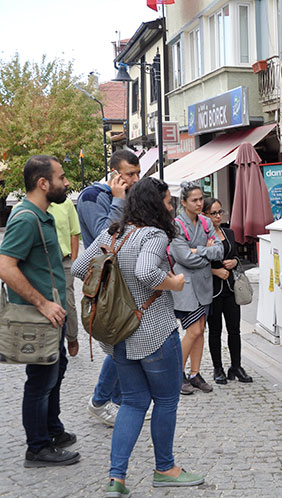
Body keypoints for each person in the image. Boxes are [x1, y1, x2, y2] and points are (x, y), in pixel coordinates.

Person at [72, 177, 204, 496]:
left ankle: (116, 479)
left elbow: (78, 267)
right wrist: (173, 283)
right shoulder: (154, 234)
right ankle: (166, 468)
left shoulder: (113, 232)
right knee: (167, 400)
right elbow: (147, 272)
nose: (171, 207)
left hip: (119, 333)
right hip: (154, 332)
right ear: (155, 204)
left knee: (132, 402)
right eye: (168, 201)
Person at [0, 155, 79, 467]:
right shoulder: (26, 218)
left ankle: (53, 430)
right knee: (40, 380)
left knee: (54, 372)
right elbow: (5, 267)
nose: (66, 183)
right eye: (61, 177)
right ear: (43, 183)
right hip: (39, 316)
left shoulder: (42, 214)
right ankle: (38, 447)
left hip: (52, 315)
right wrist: (42, 303)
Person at [78, 149, 141, 426]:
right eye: (130, 174)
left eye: (138, 173)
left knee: (123, 338)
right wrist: (118, 200)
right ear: (115, 174)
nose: (135, 179)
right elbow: (105, 233)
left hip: (123, 274)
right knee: (118, 339)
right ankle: (101, 400)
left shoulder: (126, 195)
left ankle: (115, 401)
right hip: (105, 279)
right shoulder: (92, 197)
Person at [170, 182, 224, 394]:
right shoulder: (176, 225)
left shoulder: (205, 222)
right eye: (194, 200)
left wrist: (197, 251)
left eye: (201, 198)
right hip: (186, 284)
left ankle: (195, 373)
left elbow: (219, 251)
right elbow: (182, 257)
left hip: (203, 284)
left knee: (201, 329)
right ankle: (177, 373)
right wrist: (205, 253)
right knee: (193, 330)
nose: (200, 203)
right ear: (183, 202)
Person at [203, 198, 253, 385]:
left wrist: (234, 262)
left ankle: (236, 366)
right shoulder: (202, 236)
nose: (218, 216)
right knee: (215, 331)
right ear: (205, 215)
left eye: (220, 212)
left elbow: (236, 257)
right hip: (213, 290)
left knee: (234, 329)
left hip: (231, 289)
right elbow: (195, 264)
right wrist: (214, 270)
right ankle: (218, 368)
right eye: (213, 213)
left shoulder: (229, 233)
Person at [47, 197, 81, 359]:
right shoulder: (25, 207)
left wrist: (74, 260)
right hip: (41, 265)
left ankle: (72, 337)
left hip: (64, 262)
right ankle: (50, 341)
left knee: (67, 302)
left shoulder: (65, 203)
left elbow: (74, 233)